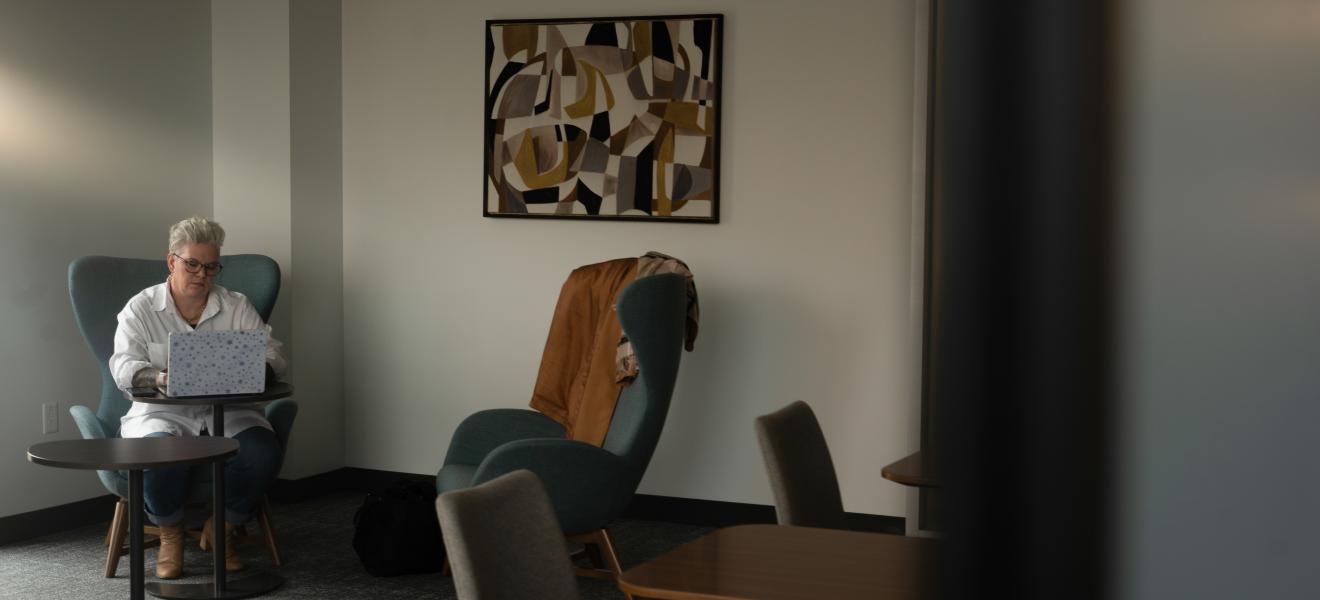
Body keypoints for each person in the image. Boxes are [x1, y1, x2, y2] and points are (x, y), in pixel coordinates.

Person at [109, 216, 287, 579]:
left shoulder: (236, 305)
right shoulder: (140, 308)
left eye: (211, 267)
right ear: (172, 261)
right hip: (162, 414)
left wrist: (253, 369)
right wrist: (160, 378)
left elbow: (276, 356)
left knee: (261, 453)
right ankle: (170, 534)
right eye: (192, 263)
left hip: (230, 412)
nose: (202, 274)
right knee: (158, 455)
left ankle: (222, 528)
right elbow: (123, 366)